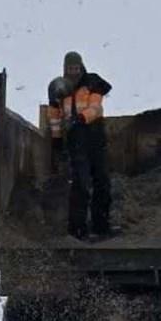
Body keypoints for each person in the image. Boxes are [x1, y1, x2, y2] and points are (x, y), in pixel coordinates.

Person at [46, 52, 112, 240]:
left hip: (95, 138)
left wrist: (81, 118)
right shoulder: (59, 88)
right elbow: (54, 115)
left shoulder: (92, 82)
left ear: (81, 66)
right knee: (80, 185)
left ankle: (101, 226)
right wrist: (57, 140)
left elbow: (96, 107)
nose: (73, 72)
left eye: (76, 68)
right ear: (64, 69)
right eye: (69, 68)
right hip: (76, 143)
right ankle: (77, 230)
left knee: (102, 183)